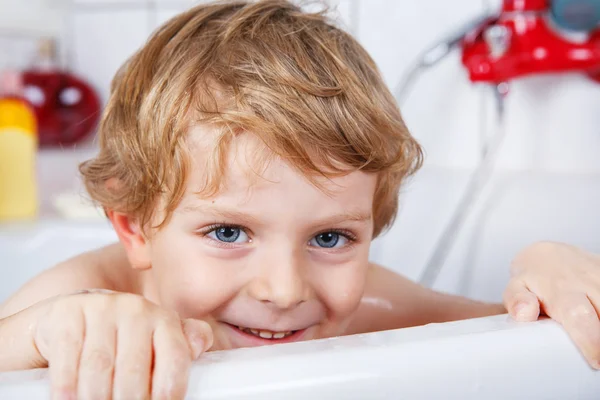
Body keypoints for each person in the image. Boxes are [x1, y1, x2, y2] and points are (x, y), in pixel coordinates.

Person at [1, 1, 599, 399]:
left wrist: (545, 270)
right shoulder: (83, 302)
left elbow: (509, 336)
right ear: (134, 227)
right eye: (229, 233)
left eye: (330, 238)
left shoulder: (367, 301)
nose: (284, 291)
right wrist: (45, 332)